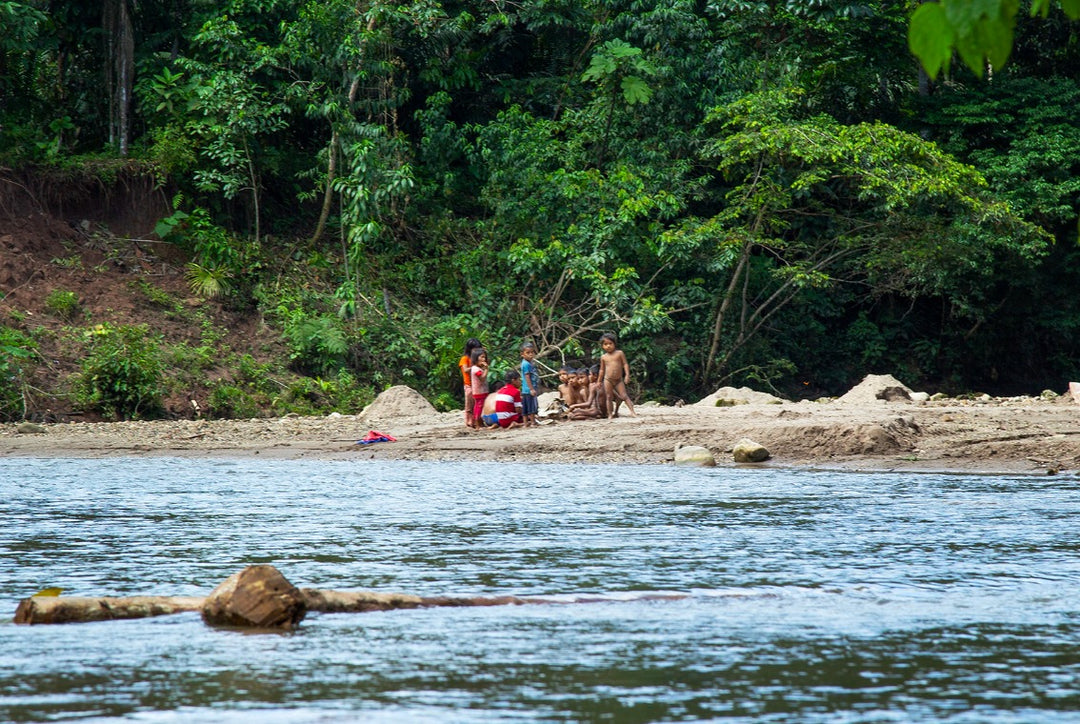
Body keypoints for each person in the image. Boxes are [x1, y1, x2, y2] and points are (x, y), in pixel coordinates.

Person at [598, 332, 635, 418]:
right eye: (605, 344)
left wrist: (627, 375)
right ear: (602, 346)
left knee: (624, 395)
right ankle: (610, 414)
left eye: (610, 343)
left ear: (614, 344)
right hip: (608, 379)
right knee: (609, 397)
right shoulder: (603, 357)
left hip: (619, 380)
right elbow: (602, 370)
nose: (608, 346)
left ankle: (632, 412)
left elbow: (625, 364)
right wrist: (599, 381)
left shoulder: (619, 353)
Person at [459, 338, 481, 429]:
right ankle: (469, 421)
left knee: (477, 404)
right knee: (469, 405)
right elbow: (465, 370)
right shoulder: (465, 359)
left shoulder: (476, 359)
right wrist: (475, 367)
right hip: (469, 385)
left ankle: (477, 421)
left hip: (477, 384)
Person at [520, 342, 540, 427]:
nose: (531, 354)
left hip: (525, 389)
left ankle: (525, 423)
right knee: (531, 406)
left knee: (525, 406)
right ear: (522, 354)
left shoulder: (527, 363)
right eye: (528, 353)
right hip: (528, 389)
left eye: (532, 352)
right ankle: (532, 422)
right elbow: (527, 377)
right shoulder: (526, 364)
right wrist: (531, 389)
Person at [469, 347, 490, 429]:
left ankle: (479, 422)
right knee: (479, 407)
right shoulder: (475, 369)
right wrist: (486, 369)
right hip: (479, 391)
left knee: (479, 406)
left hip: (481, 391)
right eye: (482, 357)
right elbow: (482, 378)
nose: (484, 359)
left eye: (484, 357)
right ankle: (477, 423)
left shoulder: (478, 368)